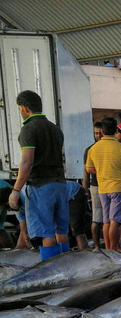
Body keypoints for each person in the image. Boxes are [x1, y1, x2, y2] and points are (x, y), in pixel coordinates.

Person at [9, 90, 69, 261]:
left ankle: (53, 274)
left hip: (40, 186)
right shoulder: (56, 129)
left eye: (19, 109)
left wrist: (15, 190)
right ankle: (67, 269)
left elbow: (27, 162)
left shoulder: (28, 129)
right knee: (61, 231)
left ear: (25, 108)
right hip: (60, 184)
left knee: (46, 233)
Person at [85, 116, 121, 252]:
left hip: (102, 189)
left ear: (102, 131)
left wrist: (103, 170)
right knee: (115, 221)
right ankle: (114, 250)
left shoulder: (93, 149)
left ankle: (108, 249)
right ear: (115, 131)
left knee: (106, 221)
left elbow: (89, 169)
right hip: (118, 187)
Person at [84, 121, 104, 249]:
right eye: (96, 133)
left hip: (109, 185)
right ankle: (97, 246)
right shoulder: (89, 150)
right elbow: (85, 171)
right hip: (96, 186)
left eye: (100, 133)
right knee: (97, 217)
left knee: (109, 219)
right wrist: (85, 189)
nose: (98, 135)